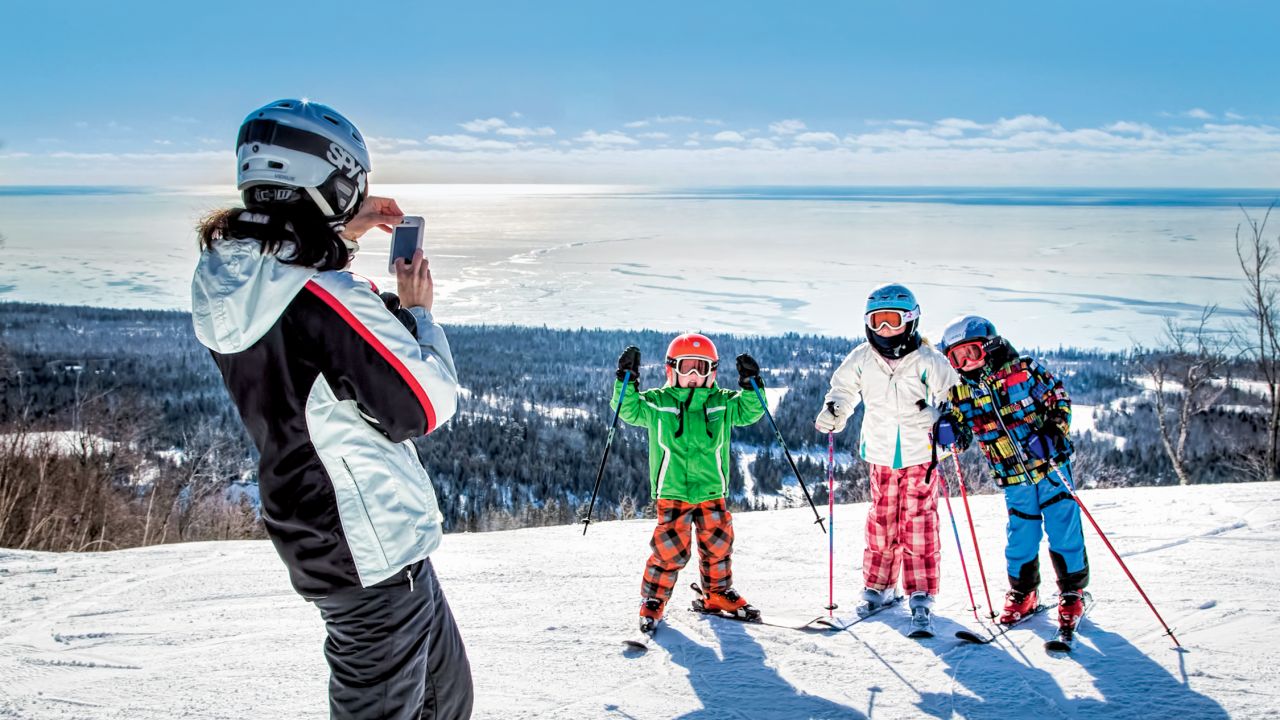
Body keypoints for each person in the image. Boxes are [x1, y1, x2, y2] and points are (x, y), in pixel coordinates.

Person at [190, 99, 473, 719]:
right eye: (352, 185)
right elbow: (423, 406)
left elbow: (287, 276)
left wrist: (340, 229)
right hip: (366, 543)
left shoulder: (229, 279)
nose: (357, 197)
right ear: (328, 180)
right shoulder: (322, 298)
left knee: (446, 697)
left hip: (341, 532)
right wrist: (418, 312)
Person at [814, 283, 958, 635]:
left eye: (892, 321)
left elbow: (954, 399)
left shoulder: (929, 360)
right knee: (881, 520)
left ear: (910, 321)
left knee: (919, 523)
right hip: (880, 452)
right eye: (877, 321)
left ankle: (921, 592)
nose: (884, 330)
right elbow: (844, 389)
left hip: (921, 455)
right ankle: (877, 586)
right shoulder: (863, 357)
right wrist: (836, 411)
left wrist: (940, 418)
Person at [933, 315, 1089, 635]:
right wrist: (949, 431)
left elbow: (1057, 398)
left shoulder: (1024, 370)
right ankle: (1023, 592)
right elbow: (959, 429)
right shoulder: (962, 391)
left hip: (1049, 465)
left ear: (989, 347)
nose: (965, 364)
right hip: (1011, 474)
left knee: (1063, 525)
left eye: (971, 353)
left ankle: (1072, 591)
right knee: (1021, 534)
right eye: (956, 358)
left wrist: (1053, 430)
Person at [612, 333, 766, 634]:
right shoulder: (658, 403)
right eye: (687, 367)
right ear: (672, 370)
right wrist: (626, 381)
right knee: (670, 550)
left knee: (718, 545)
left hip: (711, 489)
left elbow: (751, 411)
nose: (695, 375)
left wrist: (751, 385)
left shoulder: (722, 403)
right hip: (673, 491)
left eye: (702, 367)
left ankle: (717, 593)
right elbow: (628, 409)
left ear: (713, 372)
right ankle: (654, 599)